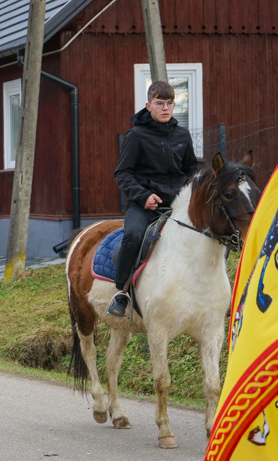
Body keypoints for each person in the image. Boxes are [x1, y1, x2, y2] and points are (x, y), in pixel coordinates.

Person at [110, 80, 199, 317]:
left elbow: (192, 168)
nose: (166, 108)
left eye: (170, 103)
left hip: (179, 204)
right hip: (145, 205)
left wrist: (190, 190)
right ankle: (122, 292)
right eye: (160, 103)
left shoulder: (182, 134)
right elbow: (122, 173)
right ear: (148, 106)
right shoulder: (136, 136)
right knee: (133, 235)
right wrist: (143, 196)